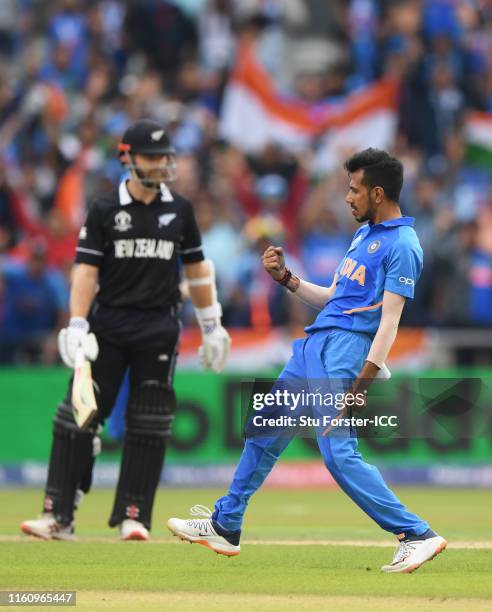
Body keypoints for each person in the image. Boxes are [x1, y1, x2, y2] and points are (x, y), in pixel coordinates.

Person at [167, 148, 447, 573]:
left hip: (345, 350)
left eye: (354, 190)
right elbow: (335, 298)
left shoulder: (404, 244)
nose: (347, 198)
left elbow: (389, 323)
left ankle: (416, 534)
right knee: (264, 428)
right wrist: (288, 280)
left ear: (377, 192)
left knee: (338, 453)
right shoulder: (363, 236)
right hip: (315, 344)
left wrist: (361, 388)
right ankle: (226, 524)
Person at [21, 118, 231, 541]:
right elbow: (85, 271)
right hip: (108, 326)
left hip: (158, 326)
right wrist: (78, 321)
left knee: (149, 422)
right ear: (127, 158)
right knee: (77, 415)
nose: (159, 165)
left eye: (164, 157)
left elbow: (197, 270)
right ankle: (59, 516)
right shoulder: (104, 209)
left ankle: (134, 514)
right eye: (151, 157)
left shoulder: (180, 210)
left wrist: (212, 326)